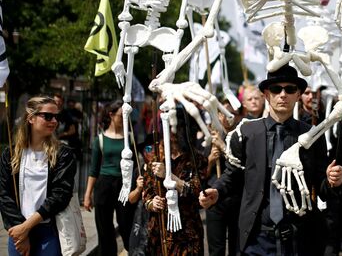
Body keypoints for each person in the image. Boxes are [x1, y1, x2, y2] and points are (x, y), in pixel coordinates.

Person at [200, 64, 342, 255]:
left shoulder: (311, 136)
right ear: (267, 95)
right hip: (255, 238)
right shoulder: (246, 133)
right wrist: (217, 191)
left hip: (298, 238)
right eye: (276, 89)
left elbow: (322, 188)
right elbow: (233, 174)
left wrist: (334, 181)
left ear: (298, 94)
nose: (283, 95)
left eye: (290, 89)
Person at [0, 96, 76, 256]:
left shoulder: (63, 154)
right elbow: (4, 195)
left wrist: (26, 227)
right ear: (31, 118)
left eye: (57, 117)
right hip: (17, 231)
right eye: (48, 116)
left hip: (48, 232)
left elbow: (60, 195)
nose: (54, 121)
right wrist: (21, 230)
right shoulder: (11, 154)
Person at [144, 106, 209, 255]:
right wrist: (152, 204)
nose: (173, 133)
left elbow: (198, 191)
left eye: (178, 127)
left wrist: (169, 176)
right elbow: (146, 195)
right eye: (170, 127)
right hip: (160, 231)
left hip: (188, 233)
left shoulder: (197, 159)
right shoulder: (153, 157)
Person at [83, 100, 135, 255]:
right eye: (121, 115)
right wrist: (87, 195)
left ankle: (132, 251)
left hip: (125, 185)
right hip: (104, 185)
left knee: (126, 225)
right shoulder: (99, 139)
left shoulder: (130, 138)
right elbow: (93, 170)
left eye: (127, 115)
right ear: (111, 115)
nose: (125, 119)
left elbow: (136, 164)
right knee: (104, 228)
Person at [205, 99, 243, 256]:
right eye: (225, 113)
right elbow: (202, 175)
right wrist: (210, 161)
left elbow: (242, 166)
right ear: (218, 115)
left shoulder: (241, 137)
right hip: (215, 199)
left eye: (232, 114)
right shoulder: (210, 139)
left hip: (237, 199)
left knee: (237, 246)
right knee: (216, 248)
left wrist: (223, 147)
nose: (229, 117)